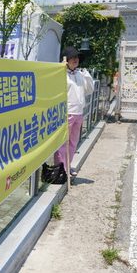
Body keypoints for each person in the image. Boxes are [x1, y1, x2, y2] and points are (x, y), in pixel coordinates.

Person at [54, 46, 94, 177]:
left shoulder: (80, 74)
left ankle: (67, 166)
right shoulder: (61, 74)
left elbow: (89, 90)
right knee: (62, 143)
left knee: (73, 143)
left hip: (78, 113)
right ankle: (60, 169)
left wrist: (87, 76)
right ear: (66, 60)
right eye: (72, 58)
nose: (75, 60)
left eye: (77, 57)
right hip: (67, 112)